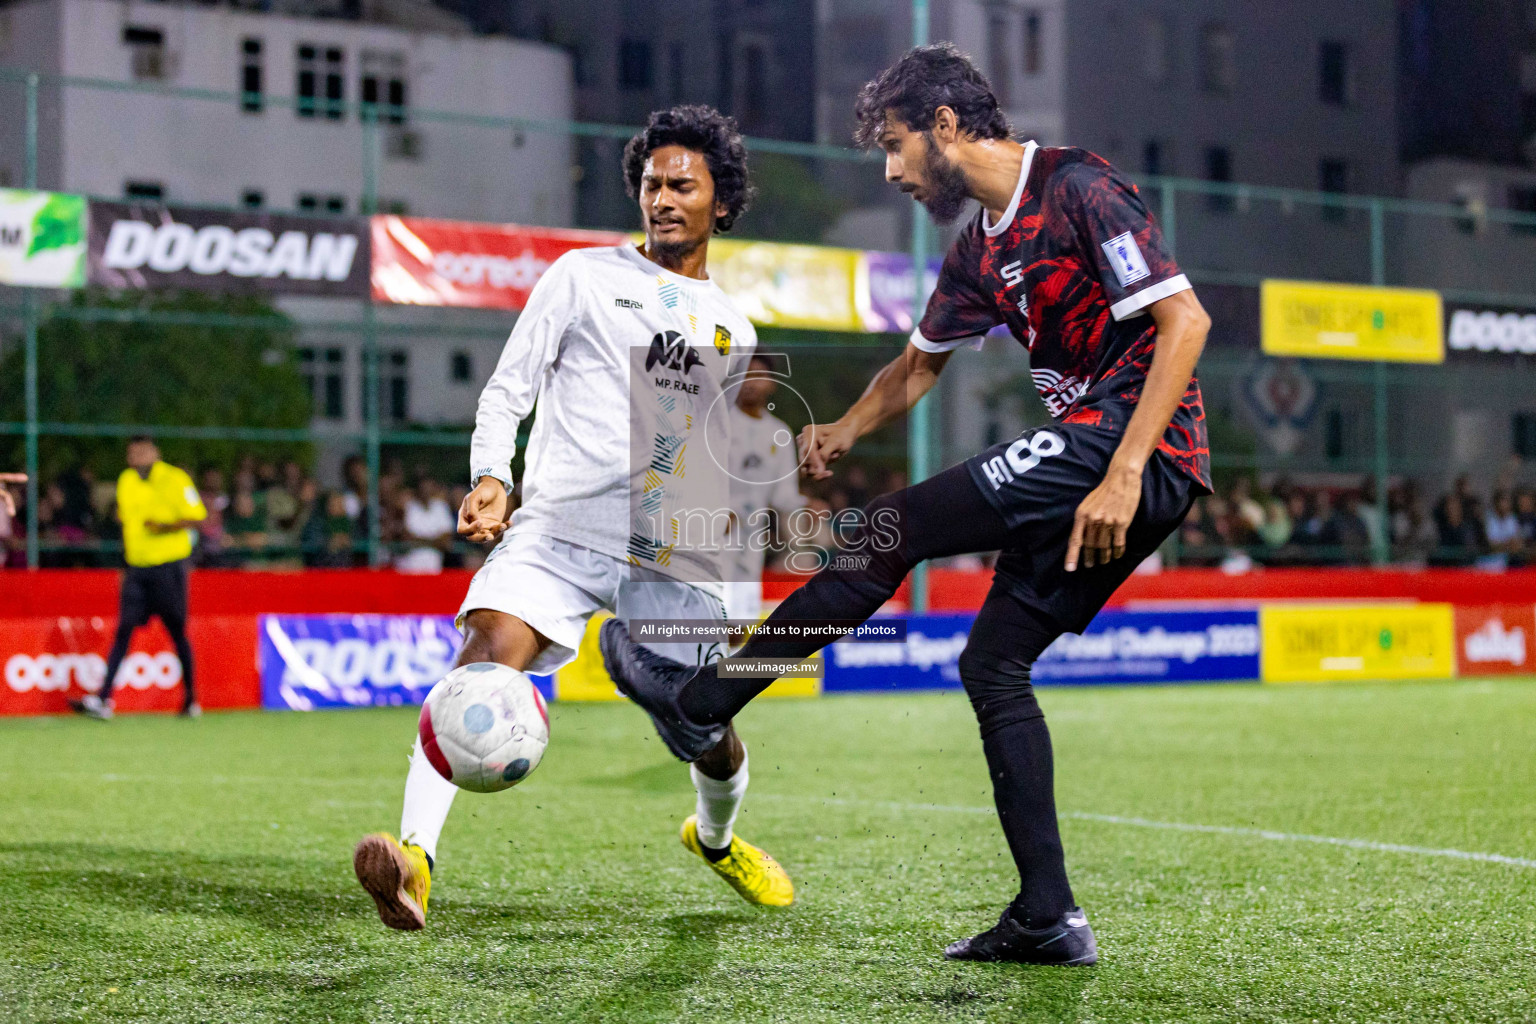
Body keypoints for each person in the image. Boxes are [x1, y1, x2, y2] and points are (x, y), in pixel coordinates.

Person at [600, 45, 1213, 967]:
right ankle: (1049, 916)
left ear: (948, 126)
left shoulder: (1078, 186)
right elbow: (919, 363)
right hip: (1102, 459)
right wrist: (846, 424)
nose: (891, 170)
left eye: (895, 146)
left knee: (886, 533)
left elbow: (1186, 321)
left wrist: (1125, 469)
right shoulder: (978, 249)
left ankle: (704, 699)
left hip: (1129, 446)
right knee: (993, 664)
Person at [352, 105, 793, 932]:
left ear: (720, 204)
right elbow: (509, 389)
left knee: (707, 728)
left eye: (682, 185)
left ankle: (715, 835)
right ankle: (415, 860)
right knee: (479, 661)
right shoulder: (579, 276)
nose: (661, 198)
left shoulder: (734, 326)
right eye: (651, 183)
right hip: (556, 530)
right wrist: (491, 475)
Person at [70, 437, 207, 720]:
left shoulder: (174, 478)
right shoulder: (126, 480)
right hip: (136, 569)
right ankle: (103, 699)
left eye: (142, 451)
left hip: (169, 567)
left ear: (155, 453)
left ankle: (191, 699)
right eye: (132, 452)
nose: (136, 457)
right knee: (123, 630)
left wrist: (165, 526)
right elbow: (127, 522)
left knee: (177, 632)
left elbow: (198, 517)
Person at [724, 354, 808, 631]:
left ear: (771, 383)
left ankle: (728, 674)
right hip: (708, 534)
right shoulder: (717, 423)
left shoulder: (779, 434)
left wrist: (806, 505)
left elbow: (783, 496)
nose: (751, 383)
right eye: (746, 375)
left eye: (759, 376)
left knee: (740, 623)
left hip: (751, 540)